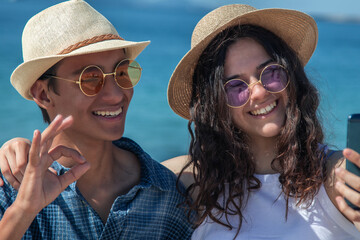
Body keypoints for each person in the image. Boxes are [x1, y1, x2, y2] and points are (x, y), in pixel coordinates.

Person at [0, 0, 194, 239]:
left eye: (122, 73)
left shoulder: (165, 195)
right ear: (43, 94)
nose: (115, 95)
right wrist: (23, 212)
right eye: (90, 78)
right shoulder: (9, 191)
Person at [163, 4, 360, 239]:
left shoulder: (335, 176)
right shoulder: (192, 183)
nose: (258, 92)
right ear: (214, 105)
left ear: (291, 74)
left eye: (270, 72)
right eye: (235, 86)